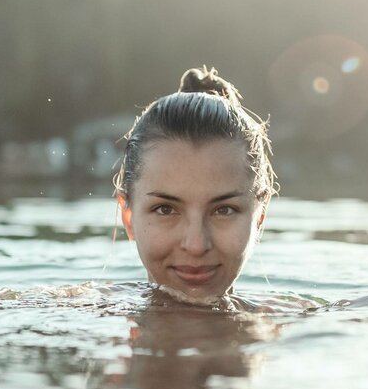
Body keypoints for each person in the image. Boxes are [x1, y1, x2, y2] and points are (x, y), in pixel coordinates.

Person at [115, 66, 276, 307]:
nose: (196, 245)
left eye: (224, 210)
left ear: (259, 217)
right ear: (128, 217)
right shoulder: (76, 318)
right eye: (165, 209)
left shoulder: (310, 324)